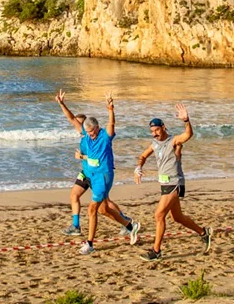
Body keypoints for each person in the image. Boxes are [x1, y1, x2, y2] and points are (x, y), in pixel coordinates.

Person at [56, 89, 140, 254]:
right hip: (90, 175)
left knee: (92, 209)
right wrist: (62, 104)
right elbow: (72, 119)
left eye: (92, 131)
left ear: (97, 128)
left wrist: (110, 109)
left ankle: (89, 244)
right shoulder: (86, 136)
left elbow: (112, 124)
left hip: (103, 176)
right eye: (88, 132)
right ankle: (130, 226)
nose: (90, 135)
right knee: (103, 209)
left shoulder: (105, 136)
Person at [133, 102, 212, 260]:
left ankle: (156, 251)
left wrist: (186, 120)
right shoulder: (155, 144)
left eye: (157, 130)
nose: (154, 133)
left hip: (175, 183)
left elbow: (188, 135)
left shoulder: (174, 141)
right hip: (164, 184)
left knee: (159, 215)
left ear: (163, 127)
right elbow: (143, 156)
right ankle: (204, 233)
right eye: (152, 131)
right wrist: (138, 167)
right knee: (177, 217)